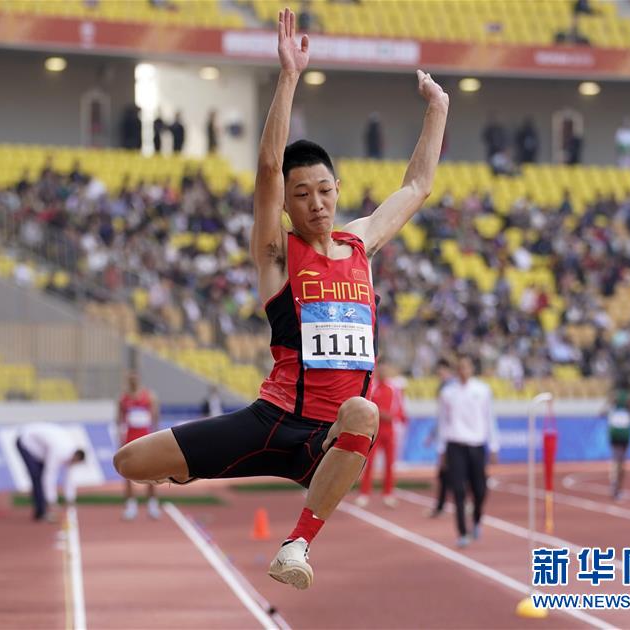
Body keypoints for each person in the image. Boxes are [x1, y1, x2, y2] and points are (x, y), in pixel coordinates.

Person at [113, 8, 448, 590]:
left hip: (325, 439)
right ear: (289, 205)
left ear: (338, 190)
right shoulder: (277, 254)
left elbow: (417, 186)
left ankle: (297, 544)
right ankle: (200, 469)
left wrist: (438, 108)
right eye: (302, 194)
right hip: (270, 421)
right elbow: (269, 167)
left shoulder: (361, 244)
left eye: (324, 190)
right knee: (130, 462)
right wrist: (289, 76)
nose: (316, 202)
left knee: (365, 412)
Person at [437, 355, 499, 547]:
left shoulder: (483, 390)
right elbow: (442, 422)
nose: (463, 371)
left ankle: (477, 519)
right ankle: (462, 532)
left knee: (480, 490)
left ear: (472, 369)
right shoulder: (448, 393)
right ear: (457, 370)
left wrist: (494, 445)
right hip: (455, 445)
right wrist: (441, 449)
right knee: (458, 490)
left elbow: (489, 418)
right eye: (460, 367)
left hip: (477, 444)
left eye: (466, 367)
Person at [356, 359, 407, 507]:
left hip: (389, 431)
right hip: (374, 430)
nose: (383, 372)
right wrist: (379, 414)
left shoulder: (394, 388)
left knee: (389, 464)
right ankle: (364, 493)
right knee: (369, 463)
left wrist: (392, 416)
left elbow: (399, 409)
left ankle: (388, 494)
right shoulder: (372, 387)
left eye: (386, 369)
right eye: (381, 369)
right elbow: (366, 407)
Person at [15, 422, 86, 522]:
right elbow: (49, 475)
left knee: (40, 477)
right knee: (37, 476)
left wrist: (70, 499)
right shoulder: (59, 451)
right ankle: (41, 512)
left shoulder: (70, 451)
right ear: (76, 457)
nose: (73, 465)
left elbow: (69, 478)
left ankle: (41, 508)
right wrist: (52, 501)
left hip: (40, 446)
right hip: (25, 440)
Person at [117, 371, 161, 520]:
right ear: (128, 381)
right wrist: (120, 438)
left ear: (139, 380)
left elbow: (155, 418)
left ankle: (152, 504)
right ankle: (131, 505)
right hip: (130, 437)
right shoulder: (123, 398)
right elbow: (119, 420)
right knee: (128, 473)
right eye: (131, 380)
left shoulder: (149, 396)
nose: (133, 382)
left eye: (135, 379)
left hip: (146, 437)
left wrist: (157, 437)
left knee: (151, 472)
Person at [602, 375, 630, 500]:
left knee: (615, 459)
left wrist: (612, 415)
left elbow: (603, 412)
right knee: (622, 461)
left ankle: (613, 483)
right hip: (625, 432)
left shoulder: (613, 396)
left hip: (614, 431)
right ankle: (618, 488)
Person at [427, 357, 453, 517]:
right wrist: (433, 434)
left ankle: (442, 506)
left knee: (451, 471)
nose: (439, 373)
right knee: (445, 471)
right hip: (446, 434)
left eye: (441, 370)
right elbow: (441, 416)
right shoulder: (443, 386)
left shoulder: (452, 387)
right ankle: (441, 505)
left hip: (454, 435)